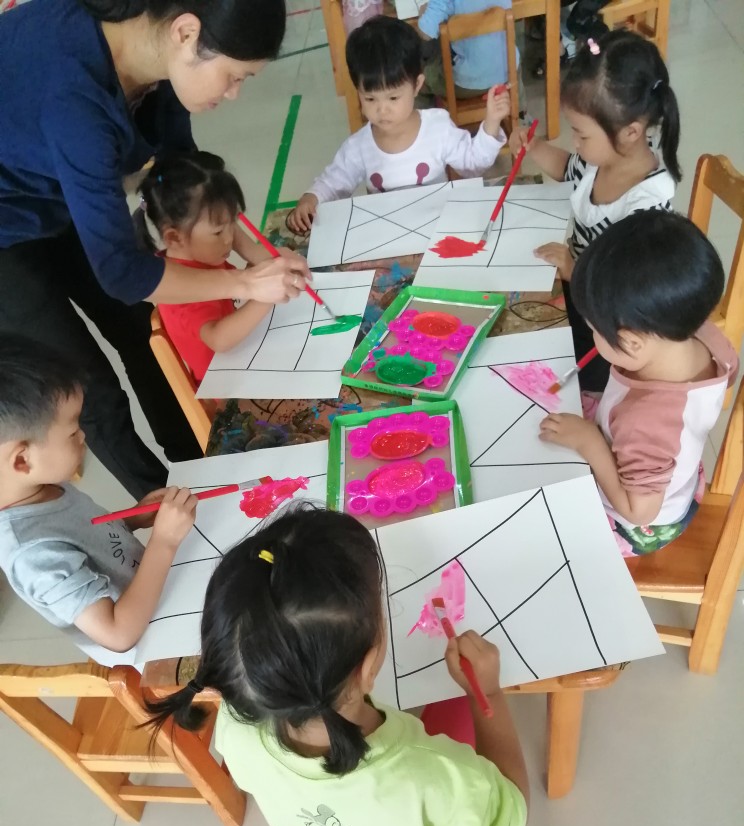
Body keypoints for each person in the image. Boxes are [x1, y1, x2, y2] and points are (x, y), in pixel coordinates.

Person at [0, 0, 310, 499]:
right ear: (186, 33)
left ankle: (197, 460)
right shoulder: (75, 96)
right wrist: (244, 281)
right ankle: (169, 509)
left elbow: (186, 179)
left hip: (53, 189)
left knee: (143, 331)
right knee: (82, 387)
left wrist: (258, 255)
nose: (233, 93)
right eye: (234, 77)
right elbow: (123, 273)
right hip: (6, 227)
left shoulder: (159, 60)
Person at [147, 505, 529, 826]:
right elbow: (513, 810)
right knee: (453, 704)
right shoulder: (440, 779)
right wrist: (489, 693)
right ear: (367, 668)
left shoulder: (235, 731)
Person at [539, 212, 738, 558]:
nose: (594, 336)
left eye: (595, 330)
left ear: (631, 343)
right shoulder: (700, 332)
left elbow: (639, 512)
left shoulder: (643, 421)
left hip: (641, 523)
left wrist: (589, 442)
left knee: (541, 526)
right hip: (671, 472)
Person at [0, 337, 198, 663]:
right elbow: (118, 634)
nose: (84, 436)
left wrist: (133, 518)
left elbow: (88, 539)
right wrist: (163, 540)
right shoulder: (32, 555)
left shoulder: (40, 486)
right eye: (72, 432)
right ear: (22, 460)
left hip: (162, 594)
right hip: (155, 649)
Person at [510, 29, 681, 392]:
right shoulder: (599, 158)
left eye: (582, 135)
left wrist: (573, 269)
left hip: (607, 329)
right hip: (578, 290)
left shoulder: (647, 204)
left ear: (631, 132)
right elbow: (567, 168)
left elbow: (626, 291)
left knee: (549, 372)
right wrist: (533, 147)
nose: (575, 143)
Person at [287, 16, 511, 235]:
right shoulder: (358, 147)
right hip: (387, 238)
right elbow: (333, 182)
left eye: (393, 98)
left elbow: (473, 164)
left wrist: (492, 121)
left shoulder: (438, 126)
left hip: (438, 232)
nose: (382, 110)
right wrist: (311, 198)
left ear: (417, 85)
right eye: (370, 99)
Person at [135, 151, 271, 384]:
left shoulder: (199, 256)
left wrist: (267, 261)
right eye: (218, 232)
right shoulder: (181, 288)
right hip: (226, 389)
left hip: (242, 359)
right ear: (174, 238)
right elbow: (219, 339)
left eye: (232, 224)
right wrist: (266, 297)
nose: (229, 238)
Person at [417, 0, 515, 101]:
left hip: (469, 82)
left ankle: (431, 111)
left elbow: (426, 34)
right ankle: (519, 105)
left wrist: (423, 15)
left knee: (417, 83)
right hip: (509, 71)